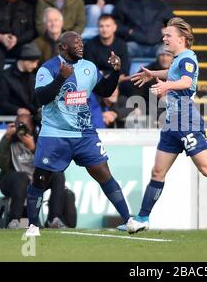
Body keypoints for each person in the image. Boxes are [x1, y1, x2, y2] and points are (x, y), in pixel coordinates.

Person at [125, 17, 207, 234]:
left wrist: (166, 86)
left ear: (182, 39)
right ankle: (142, 218)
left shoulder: (187, 60)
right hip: (171, 124)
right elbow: (173, 73)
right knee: (158, 171)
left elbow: (185, 81)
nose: (164, 38)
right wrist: (153, 74)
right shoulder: (178, 59)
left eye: (168, 35)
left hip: (187, 123)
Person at [24, 31, 131, 237]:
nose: (81, 45)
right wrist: (60, 80)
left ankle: (129, 220)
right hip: (54, 133)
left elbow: (105, 91)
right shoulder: (47, 68)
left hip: (84, 133)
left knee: (103, 172)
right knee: (40, 178)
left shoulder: (89, 67)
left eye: (82, 42)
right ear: (63, 46)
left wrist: (115, 72)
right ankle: (33, 225)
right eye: (77, 42)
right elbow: (41, 98)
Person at [0, 113, 75, 229]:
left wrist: (33, 148)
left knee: (58, 174)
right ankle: (14, 220)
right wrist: (6, 138)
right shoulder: (9, 139)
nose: (22, 130)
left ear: (32, 127)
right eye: (19, 126)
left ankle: (53, 219)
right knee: (21, 177)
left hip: (37, 180)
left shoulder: (40, 138)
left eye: (26, 126)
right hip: (13, 182)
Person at [0, 43, 41, 116]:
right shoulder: (5, 76)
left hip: (32, 118)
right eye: (32, 62)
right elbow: (1, 102)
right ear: (23, 59)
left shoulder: (34, 77)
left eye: (37, 62)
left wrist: (39, 108)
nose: (35, 65)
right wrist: (17, 110)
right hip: (12, 119)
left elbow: (37, 98)